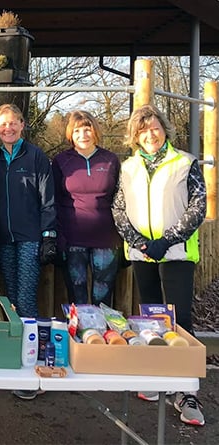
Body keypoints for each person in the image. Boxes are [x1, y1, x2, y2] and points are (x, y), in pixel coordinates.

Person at [112, 104, 206, 426]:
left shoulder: (185, 162)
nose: (149, 134)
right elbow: (119, 209)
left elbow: (197, 206)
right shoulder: (128, 167)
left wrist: (166, 240)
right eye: (142, 130)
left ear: (164, 128)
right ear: (135, 136)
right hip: (142, 254)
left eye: (154, 127)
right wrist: (138, 241)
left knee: (179, 321)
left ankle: (186, 391)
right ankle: (156, 376)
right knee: (151, 318)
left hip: (176, 252)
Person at [0, 103, 56, 401]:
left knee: (27, 299)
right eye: (3, 124)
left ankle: (32, 368)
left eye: (13, 123)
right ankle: (15, 358)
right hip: (3, 239)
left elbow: (47, 198)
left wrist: (48, 234)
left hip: (30, 238)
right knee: (11, 299)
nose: (8, 128)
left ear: (22, 125)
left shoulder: (36, 156)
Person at [52, 110, 121, 306]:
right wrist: (59, 236)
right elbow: (54, 200)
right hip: (73, 240)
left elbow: (120, 198)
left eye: (87, 129)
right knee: (77, 296)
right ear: (70, 134)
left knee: (103, 297)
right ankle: (81, 336)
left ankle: (103, 336)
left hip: (106, 239)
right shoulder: (61, 161)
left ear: (95, 131)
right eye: (77, 130)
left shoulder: (110, 160)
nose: (83, 135)